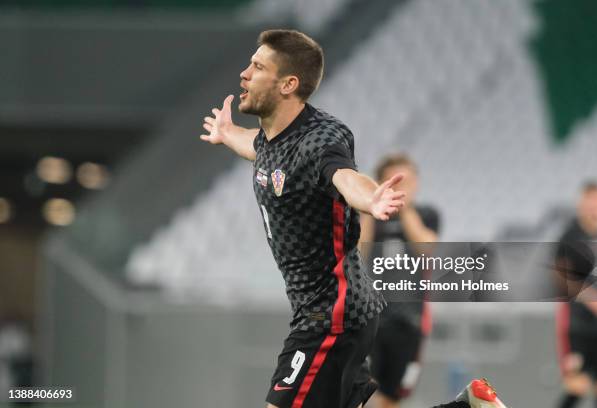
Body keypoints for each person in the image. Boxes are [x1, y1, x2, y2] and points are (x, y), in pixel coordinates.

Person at [200, 28, 507, 408]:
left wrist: (369, 197)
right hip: (327, 310)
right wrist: (228, 133)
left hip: (331, 313)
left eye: (258, 67)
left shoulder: (319, 139)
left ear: (288, 84)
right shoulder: (272, 139)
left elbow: (342, 176)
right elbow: (260, 152)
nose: (245, 73)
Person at [360, 155, 439, 408]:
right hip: (370, 317)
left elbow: (427, 249)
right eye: (395, 180)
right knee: (360, 390)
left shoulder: (426, 214)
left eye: (408, 181)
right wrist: (374, 207)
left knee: (392, 397)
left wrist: (404, 210)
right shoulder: (367, 217)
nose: (402, 187)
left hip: (408, 319)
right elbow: (357, 253)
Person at [555, 182, 597, 408]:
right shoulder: (570, 236)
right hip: (577, 325)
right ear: (581, 204)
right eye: (590, 201)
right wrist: (591, 297)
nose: (595, 207)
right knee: (576, 387)